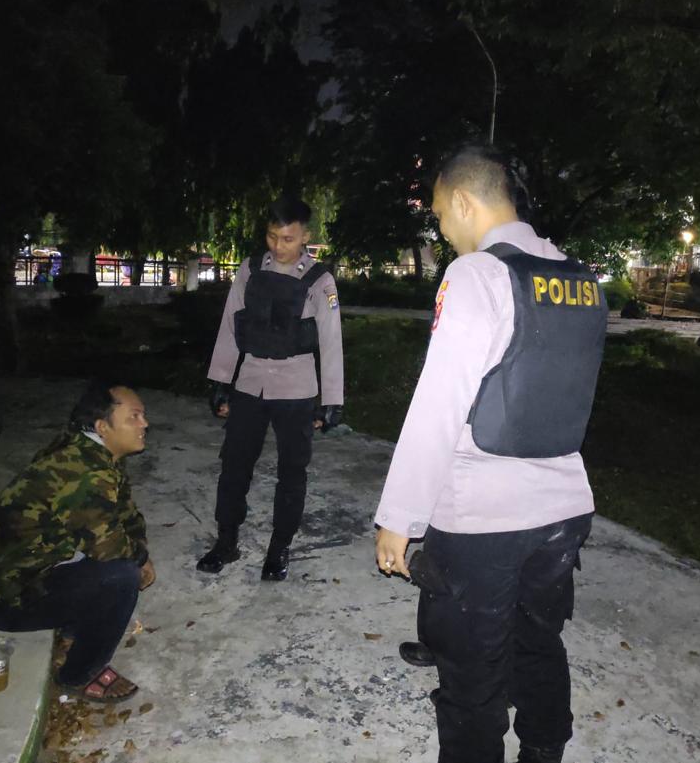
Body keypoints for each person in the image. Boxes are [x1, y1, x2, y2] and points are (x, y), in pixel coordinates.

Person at [373, 145, 607, 763]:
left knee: (471, 675)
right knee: (538, 643)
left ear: (462, 201)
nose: (443, 231)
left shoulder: (477, 273)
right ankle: (544, 751)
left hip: (483, 517)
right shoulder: (580, 278)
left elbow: (439, 402)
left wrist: (399, 518)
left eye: (439, 217)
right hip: (563, 510)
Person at [0, 381, 155, 703]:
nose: (144, 423)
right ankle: (79, 675)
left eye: (143, 415)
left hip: (26, 575)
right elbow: (108, 546)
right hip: (2, 600)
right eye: (134, 416)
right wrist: (140, 559)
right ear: (102, 427)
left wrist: (141, 548)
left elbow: (126, 513)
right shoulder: (83, 472)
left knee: (116, 557)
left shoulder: (92, 451)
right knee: (121, 576)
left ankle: (71, 632)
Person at [197, 195, 344, 581]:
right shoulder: (249, 270)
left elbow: (331, 341)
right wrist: (220, 380)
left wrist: (331, 400)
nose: (278, 246)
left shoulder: (320, 280)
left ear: (305, 236)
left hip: (296, 388)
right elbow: (231, 324)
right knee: (234, 466)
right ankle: (226, 541)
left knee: (292, 472)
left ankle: (279, 548)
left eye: (288, 239)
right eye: (272, 236)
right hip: (250, 382)